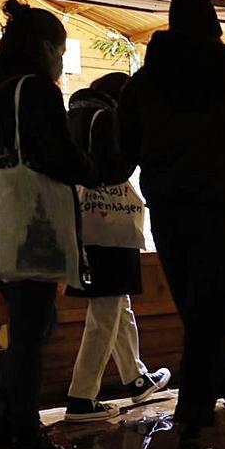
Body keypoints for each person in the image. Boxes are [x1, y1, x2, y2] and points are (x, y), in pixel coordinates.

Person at [118, 0, 225, 449]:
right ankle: (194, 418)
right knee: (210, 309)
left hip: (169, 210)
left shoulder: (142, 85)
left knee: (198, 308)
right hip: (223, 208)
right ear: (213, 27)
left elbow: (125, 151)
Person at [0, 0, 95, 449]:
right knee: (33, 327)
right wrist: (93, 167)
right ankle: (24, 431)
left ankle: (5, 424)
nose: (61, 60)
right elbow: (54, 155)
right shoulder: (34, 90)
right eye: (60, 49)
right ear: (43, 47)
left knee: (23, 325)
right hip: (24, 225)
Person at [64, 73, 171, 423]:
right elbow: (118, 167)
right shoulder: (108, 120)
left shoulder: (75, 117)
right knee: (105, 312)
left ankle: (136, 378)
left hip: (85, 225)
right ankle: (82, 397)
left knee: (115, 303)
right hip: (109, 229)